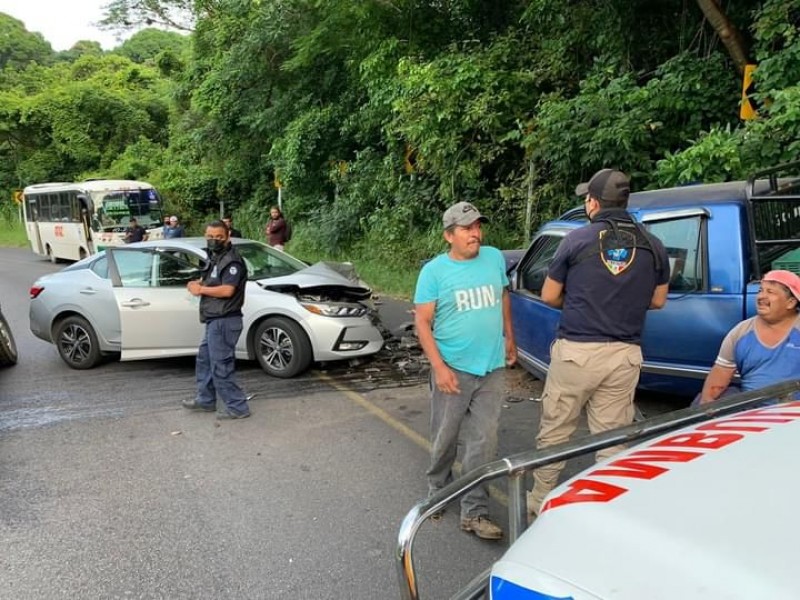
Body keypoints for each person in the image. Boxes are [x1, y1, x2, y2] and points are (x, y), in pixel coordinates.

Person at [527, 168, 670, 517]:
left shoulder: (577, 240)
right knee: (612, 439)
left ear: (593, 202)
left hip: (577, 352)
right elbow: (658, 301)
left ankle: (538, 504)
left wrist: (579, 299)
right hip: (624, 356)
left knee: (556, 431)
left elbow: (548, 295)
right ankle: (604, 510)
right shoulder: (653, 245)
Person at [414, 201, 517, 541]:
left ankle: (474, 511)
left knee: (484, 441)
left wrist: (509, 338)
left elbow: (503, 297)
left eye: (477, 226)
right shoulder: (434, 272)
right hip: (453, 369)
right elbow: (423, 323)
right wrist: (439, 368)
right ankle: (437, 490)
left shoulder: (493, 258)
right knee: (446, 437)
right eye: (466, 228)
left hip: (491, 367)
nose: (475, 232)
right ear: (449, 235)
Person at [182, 220, 252, 419]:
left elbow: (228, 290)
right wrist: (200, 282)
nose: (214, 240)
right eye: (210, 236)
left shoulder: (232, 261)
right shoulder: (215, 257)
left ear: (227, 236)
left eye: (218, 237)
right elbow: (214, 280)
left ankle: (237, 407)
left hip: (225, 320)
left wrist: (201, 290)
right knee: (204, 361)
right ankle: (206, 400)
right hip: (214, 319)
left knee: (221, 365)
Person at [698, 270, 800, 404]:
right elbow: (722, 371)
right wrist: (707, 403)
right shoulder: (741, 332)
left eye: (770, 292)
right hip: (751, 412)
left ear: (791, 302)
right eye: (760, 291)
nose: (761, 297)